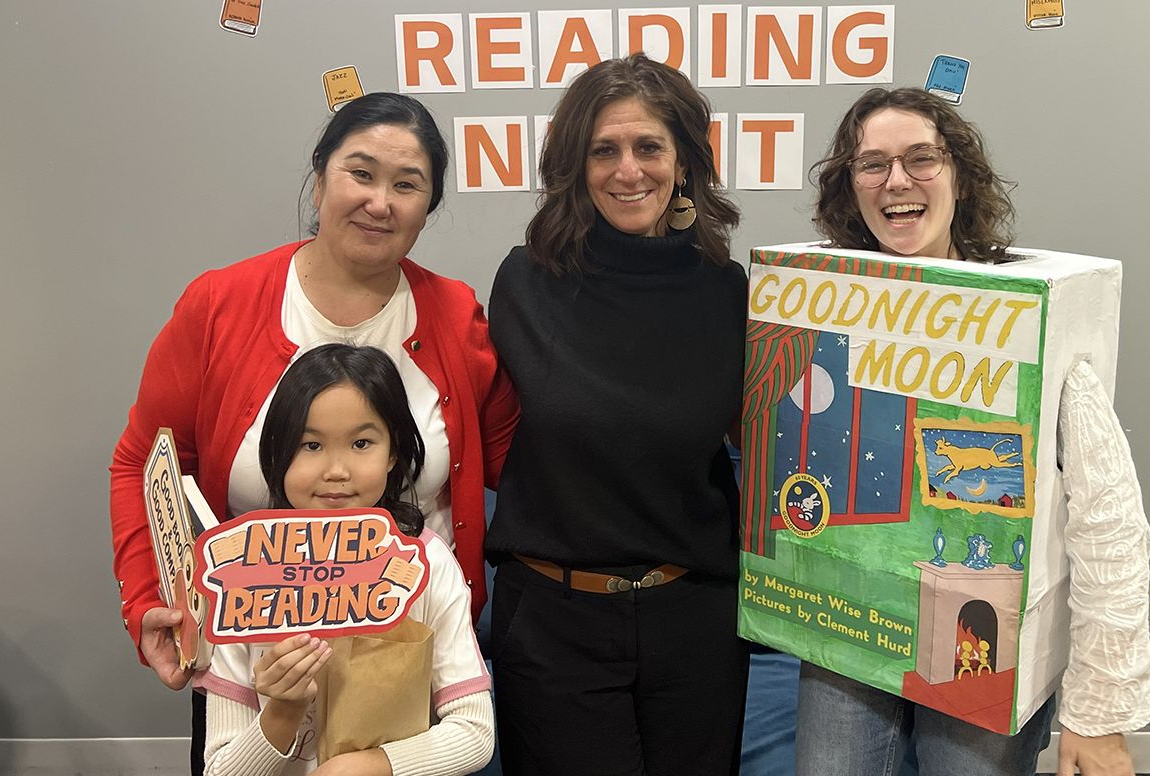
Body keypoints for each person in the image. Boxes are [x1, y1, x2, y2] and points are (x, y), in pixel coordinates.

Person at [109, 93, 517, 768]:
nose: (380, 201)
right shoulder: (220, 306)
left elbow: (516, 459)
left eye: (407, 185)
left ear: (428, 205)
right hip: (256, 640)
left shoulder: (454, 314)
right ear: (321, 173)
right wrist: (150, 600)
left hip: (408, 645)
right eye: (361, 173)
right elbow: (142, 464)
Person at [798, 87, 1150, 776]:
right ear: (851, 187)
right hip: (848, 624)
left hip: (984, 643)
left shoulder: (1030, 314)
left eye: (920, 158)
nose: (896, 180)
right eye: (872, 164)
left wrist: (1100, 710)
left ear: (960, 174)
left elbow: (1109, 522)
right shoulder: (826, 304)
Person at [485, 54, 750, 776]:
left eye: (648, 147)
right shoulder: (525, 283)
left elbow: (757, 444)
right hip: (553, 620)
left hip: (694, 619)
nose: (628, 170)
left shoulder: (728, 292)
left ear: (684, 161)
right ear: (576, 164)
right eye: (604, 150)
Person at [200, 344, 494, 776]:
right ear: (277, 452)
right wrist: (281, 711)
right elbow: (220, 769)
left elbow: (475, 732)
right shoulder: (239, 574)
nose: (336, 470)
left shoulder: (425, 563)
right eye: (310, 444)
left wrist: (375, 766)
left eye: (361, 443)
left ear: (393, 452)